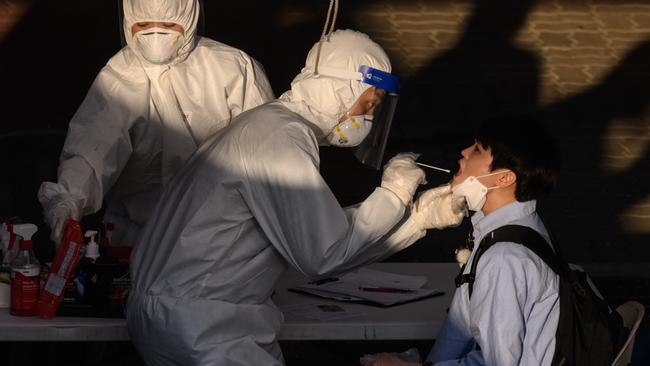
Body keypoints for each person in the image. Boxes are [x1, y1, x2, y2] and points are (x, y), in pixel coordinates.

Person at [126, 29, 466, 365]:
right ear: (340, 88)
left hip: (183, 316)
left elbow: (321, 239)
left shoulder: (266, 127)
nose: (370, 115)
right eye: (371, 100)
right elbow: (323, 255)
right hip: (204, 327)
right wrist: (393, 193)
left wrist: (415, 220)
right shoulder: (281, 138)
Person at [37, 0, 274, 247]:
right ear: (129, 21)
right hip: (138, 238)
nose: (156, 34)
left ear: (189, 19)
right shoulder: (119, 77)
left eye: (169, 24)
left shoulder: (232, 68)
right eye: (143, 24)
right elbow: (93, 147)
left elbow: (265, 149)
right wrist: (69, 196)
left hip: (222, 237)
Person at [363, 115, 561, 366]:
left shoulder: (504, 258)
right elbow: (461, 330)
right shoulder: (519, 227)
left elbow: (497, 362)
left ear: (503, 178)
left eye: (478, 149)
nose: (464, 152)